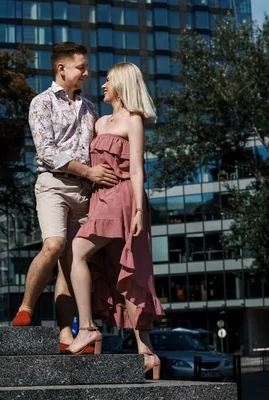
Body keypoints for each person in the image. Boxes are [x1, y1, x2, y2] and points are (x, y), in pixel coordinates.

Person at [12, 42, 119, 353]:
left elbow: (100, 147)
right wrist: (89, 172)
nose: (86, 72)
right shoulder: (40, 103)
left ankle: (65, 335)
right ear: (61, 69)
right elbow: (46, 153)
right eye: (81, 67)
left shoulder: (90, 108)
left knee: (73, 264)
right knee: (55, 245)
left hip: (85, 191)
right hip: (54, 184)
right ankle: (26, 307)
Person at [64, 62, 165, 380]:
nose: (103, 85)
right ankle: (146, 353)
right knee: (124, 271)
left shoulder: (133, 120)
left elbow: (136, 169)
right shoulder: (99, 121)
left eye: (108, 80)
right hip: (100, 201)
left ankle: (88, 329)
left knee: (78, 251)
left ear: (121, 84)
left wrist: (137, 212)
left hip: (123, 199)